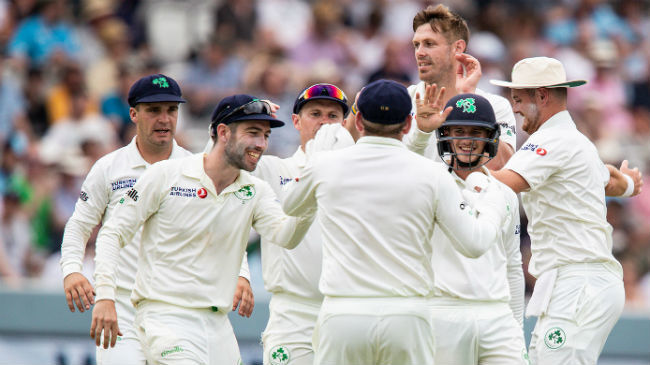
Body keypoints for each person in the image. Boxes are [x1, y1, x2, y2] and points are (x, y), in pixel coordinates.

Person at [282, 79, 510, 365]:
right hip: (407, 316)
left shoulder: (326, 165)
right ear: (406, 124)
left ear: (360, 121)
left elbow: (290, 204)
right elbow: (475, 244)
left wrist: (316, 157)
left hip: (344, 313)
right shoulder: (432, 173)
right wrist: (491, 199)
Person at [90, 94, 314, 364]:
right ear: (223, 132)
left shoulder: (255, 190)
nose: (261, 144)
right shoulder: (167, 175)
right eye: (253, 133)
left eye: (265, 136)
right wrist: (105, 296)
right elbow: (112, 234)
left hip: (219, 326)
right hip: (166, 318)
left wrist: (313, 192)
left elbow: (286, 237)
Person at [59, 74, 254, 365]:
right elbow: (79, 225)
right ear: (134, 114)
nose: (164, 119)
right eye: (154, 110)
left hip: (176, 309)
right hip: (122, 308)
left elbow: (223, 229)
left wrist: (242, 275)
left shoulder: (198, 167)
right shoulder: (110, 168)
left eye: (171, 110)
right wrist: (73, 270)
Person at [489, 57, 644, 364]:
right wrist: (628, 184)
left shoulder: (550, 142)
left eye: (519, 99)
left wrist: (443, 172)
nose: (515, 107)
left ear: (542, 96)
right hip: (577, 283)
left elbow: (503, 183)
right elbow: (607, 179)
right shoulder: (576, 142)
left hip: (579, 283)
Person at [420, 92, 527, 364]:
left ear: (491, 138)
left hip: (498, 317)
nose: (467, 140)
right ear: (445, 135)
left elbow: (512, 266)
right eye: (459, 131)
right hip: (443, 312)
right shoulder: (428, 187)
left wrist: (516, 326)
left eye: (476, 132)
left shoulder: (505, 194)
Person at [251, 83, 351, 365]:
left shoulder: (360, 176)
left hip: (348, 311)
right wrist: (244, 118)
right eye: (315, 113)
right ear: (296, 121)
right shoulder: (274, 170)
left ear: (345, 123)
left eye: (333, 116)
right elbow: (223, 161)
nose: (324, 123)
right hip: (294, 314)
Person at [404, 4, 516, 169]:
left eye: (429, 44)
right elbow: (393, 169)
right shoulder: (403, 100)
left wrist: (469, 99)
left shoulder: (495, 105)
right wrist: (422, 133)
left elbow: (503, 166)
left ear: (457, 47)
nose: (419, 52)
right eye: (416, 45)